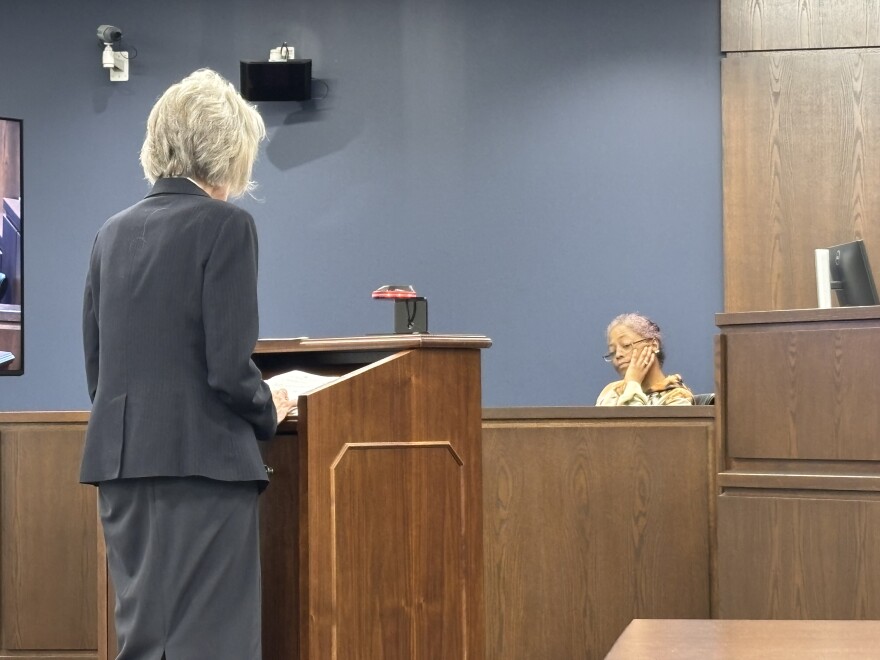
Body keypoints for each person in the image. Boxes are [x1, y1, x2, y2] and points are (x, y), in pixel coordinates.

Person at [79, 68, 296, 660]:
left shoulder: (110, 234)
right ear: (229, 151)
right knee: (213, 645)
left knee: (144, 643)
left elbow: (98, 370)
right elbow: (227, 367)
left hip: (123, 471)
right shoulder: (227, 226)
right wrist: (269, 407)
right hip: (204, 469)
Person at [596, 312, 694, 406]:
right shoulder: (611, 391)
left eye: (626, 345)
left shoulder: (677, 397)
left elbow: (634, 423)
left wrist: (633, 383)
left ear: (654, 345)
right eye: (612, 351)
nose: (618, 355)